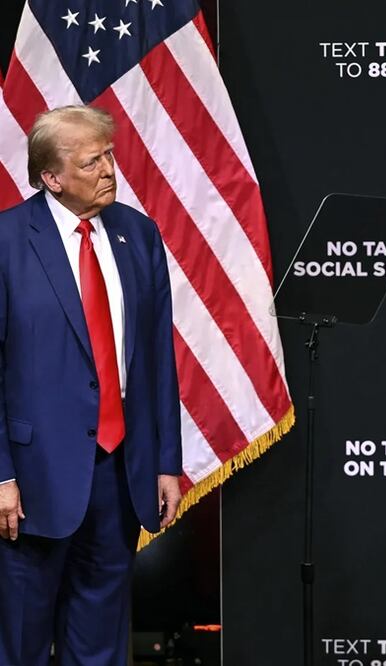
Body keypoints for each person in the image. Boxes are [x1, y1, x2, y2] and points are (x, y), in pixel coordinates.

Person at [0, 105, 182, 666]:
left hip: (120, 470)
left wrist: (164, 461)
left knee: (100, 640)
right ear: (51, 178)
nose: (109, 170)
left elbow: (156, 357)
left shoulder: (138, 232)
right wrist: (1, 475)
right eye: (92, 161)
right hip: (31, 481)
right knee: (22, 641)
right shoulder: (6, 240)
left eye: (109, 155)